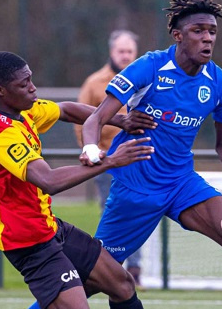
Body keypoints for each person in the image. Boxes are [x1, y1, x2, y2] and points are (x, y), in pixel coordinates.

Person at [80, 0, 222, 309]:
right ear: (177, 36)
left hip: (182, 184)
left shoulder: (220, 82)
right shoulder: (151, 67)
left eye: (212, 31)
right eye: (197, 31)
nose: (207, 38)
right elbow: (96, 119)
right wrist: (91, 149)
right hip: (136, 187)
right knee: (93, 282)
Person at [0, 51, 156, 309]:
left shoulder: (24, 112)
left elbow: (66, 109)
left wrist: (119, 120)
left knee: (122, 284)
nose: (32, 87)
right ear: (0, 91)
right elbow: (48, 180)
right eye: (23, 83)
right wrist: (111, 160)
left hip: (50, 227)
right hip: (27, 242)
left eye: (31, 79)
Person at [74, 30, 143, 286]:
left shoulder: (145, 77)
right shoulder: (94, 83)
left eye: (129, 52)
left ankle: (132, 270)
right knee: (113, 212)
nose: (125, 56)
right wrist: (92, 152)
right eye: (121, 51)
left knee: (140, 212)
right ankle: (110, 270)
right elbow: (82, 121)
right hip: (108, 163)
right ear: (111, 52)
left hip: (141, 161)